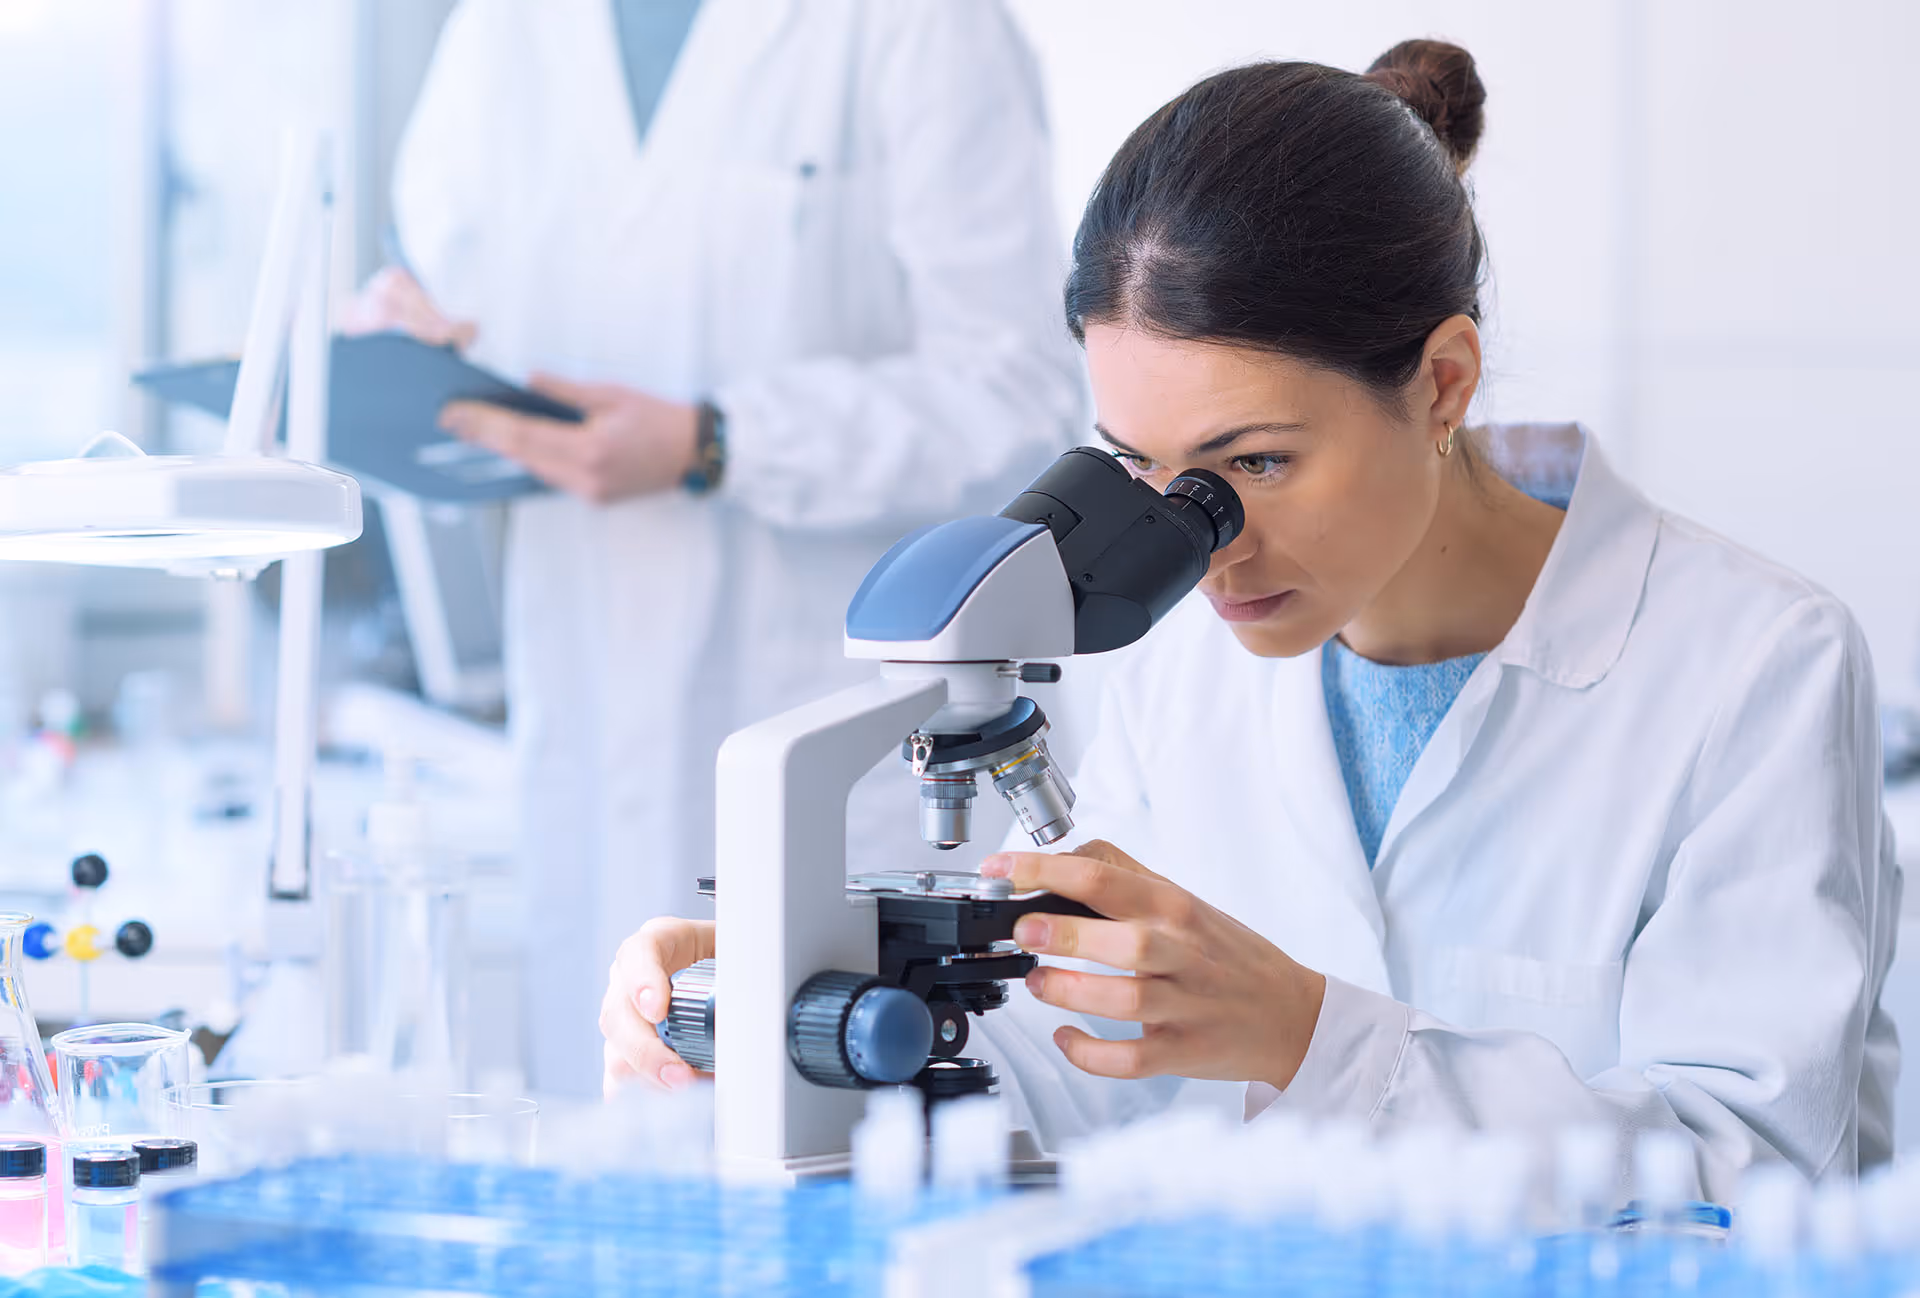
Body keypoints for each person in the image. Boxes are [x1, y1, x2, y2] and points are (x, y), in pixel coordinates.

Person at [598, 39, 1900, 1198]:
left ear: (1443, 384)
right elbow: (1075, 1070)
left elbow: (1746, 1178)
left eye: (1254, 465)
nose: (1200, 549)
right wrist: (794, 1020)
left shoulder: (1754, 667)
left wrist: (1308, 1037)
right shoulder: (1183, 669)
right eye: (1145, 473)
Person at [349, 0, 1081, 1095]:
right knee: (616, 1162)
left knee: (848, 1159)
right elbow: (452, 293)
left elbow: (1019, 390)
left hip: (837, 732)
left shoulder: (922, 26)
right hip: (589, 721)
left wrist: (718, 442)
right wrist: (405, 346)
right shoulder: (505, 28)